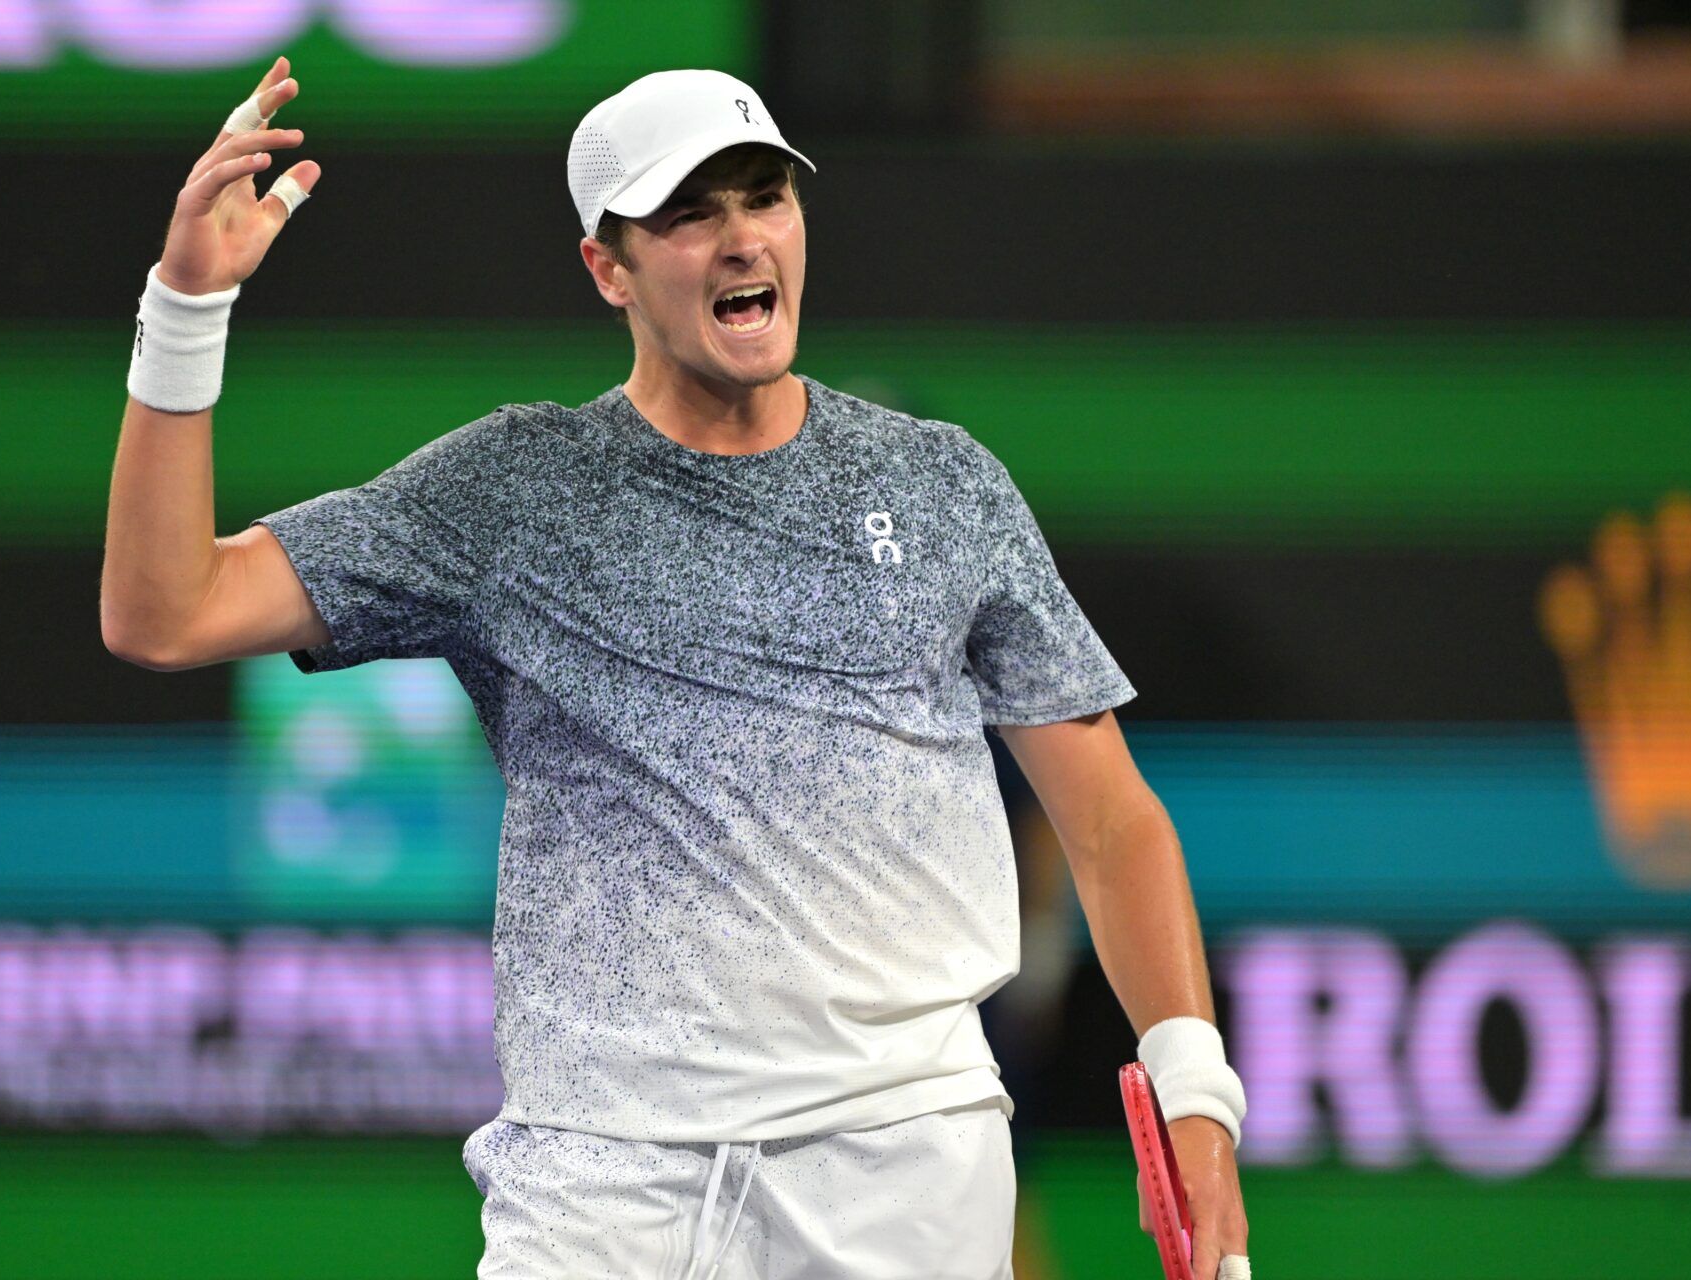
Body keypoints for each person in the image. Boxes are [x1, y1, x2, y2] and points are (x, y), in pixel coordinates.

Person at [100, 57, 1253, 1280]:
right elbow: (164, 612)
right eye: (690, 213)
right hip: (599, 1185)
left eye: (765, 197)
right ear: (608, 266)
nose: (742, 239)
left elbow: (1113, 821)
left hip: (902, 1172)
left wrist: (1196, 1092)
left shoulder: (940, 483)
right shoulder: (512, 491)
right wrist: (185, 308)